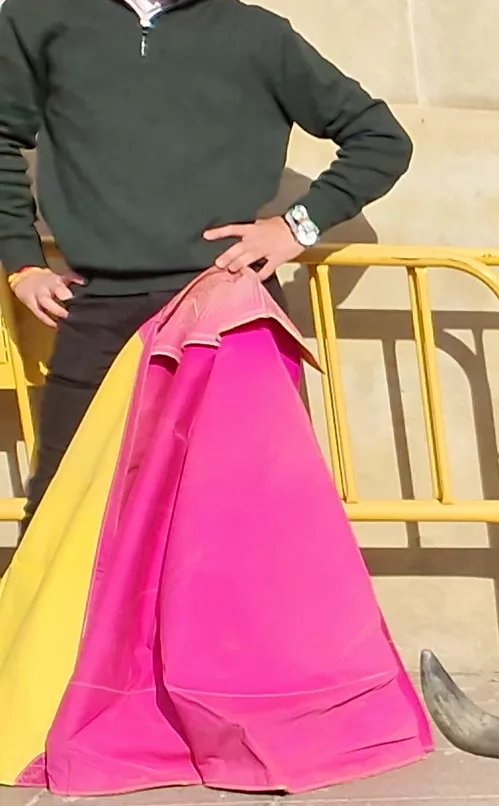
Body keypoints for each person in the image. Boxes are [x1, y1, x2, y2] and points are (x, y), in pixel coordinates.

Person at [0, 0, 412, 475]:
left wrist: (296, 226)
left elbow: (381, 139)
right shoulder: (40, 16)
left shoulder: (257, 34)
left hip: (228, 307)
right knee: (67, 506)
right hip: (98, 312)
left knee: (248, 504)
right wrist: (22, 261)